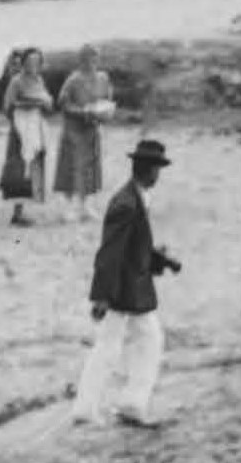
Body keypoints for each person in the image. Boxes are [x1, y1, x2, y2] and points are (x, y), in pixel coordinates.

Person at [74, 139, 179, 429]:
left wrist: (160, 260)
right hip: (124, 289)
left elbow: (132, 247)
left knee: (128, 343)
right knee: (121, 346)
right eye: (157, 169)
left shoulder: (132, 198)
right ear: (149, 170)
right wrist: (102, 296)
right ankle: (109, 405)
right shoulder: (127, 203)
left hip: (128, 287)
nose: (159, 175)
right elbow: (110, 252)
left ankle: (118, 404)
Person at [54, 45, 115, 222]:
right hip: (73, 129)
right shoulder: (73, 80)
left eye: (94, 59)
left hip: (91, 129)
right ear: (80, 60)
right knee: (71, 166)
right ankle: (68, 208)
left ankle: (87, 205)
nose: (91, 63)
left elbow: (107, 98)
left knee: (90, 167)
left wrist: (104, 111)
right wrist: (82, 111)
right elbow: (63, 104)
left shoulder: (103, 78)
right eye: (87, 59)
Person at [0, 48, 53, 227]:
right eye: (29, 62)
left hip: (35, 128)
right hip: (20, 132)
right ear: (23, 63)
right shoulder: (16, 82)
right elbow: (7, 106)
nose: (33, 66)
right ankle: (17, 212)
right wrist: (26, 105)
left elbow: (48, 106)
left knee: (32, 169)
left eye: (36, 62)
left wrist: (43, 104)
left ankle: (24, 210)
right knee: (18, 170)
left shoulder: (39, 80)